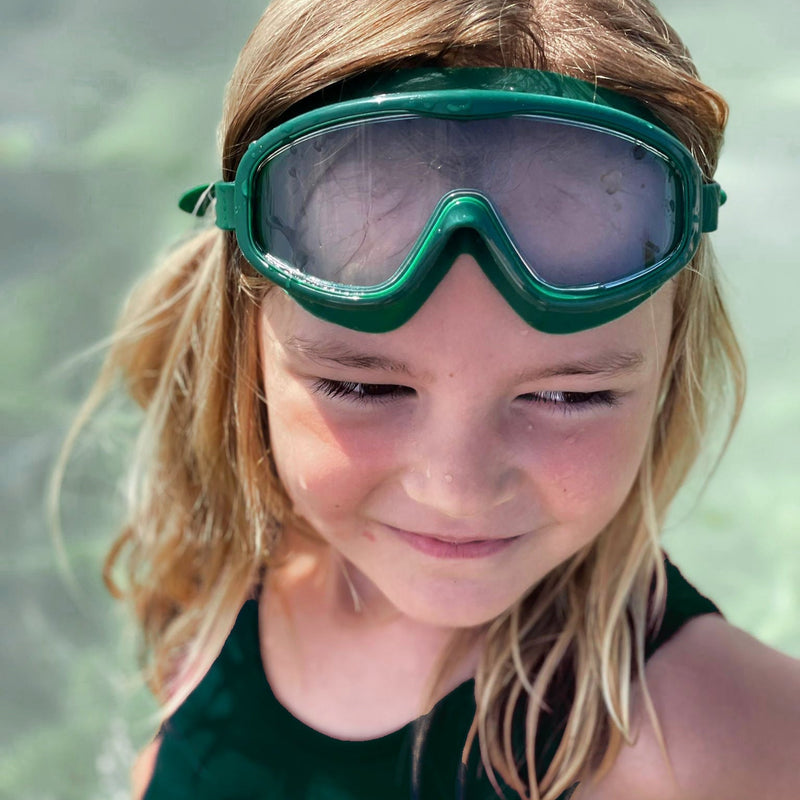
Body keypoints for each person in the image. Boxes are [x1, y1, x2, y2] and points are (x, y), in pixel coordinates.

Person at [69, 0, 799, 797]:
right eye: (362, 386)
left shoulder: (705, 737)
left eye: (568, 396)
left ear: (670, 364)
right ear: (245, 348)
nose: (456, 491)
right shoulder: (228, 568)